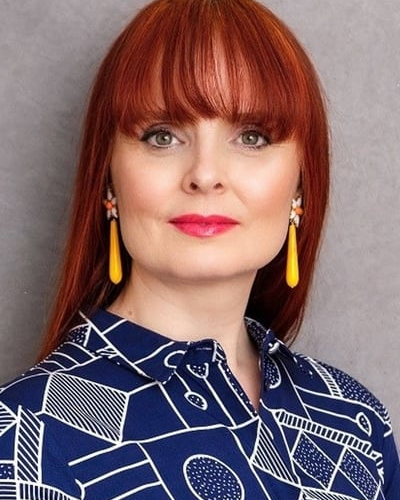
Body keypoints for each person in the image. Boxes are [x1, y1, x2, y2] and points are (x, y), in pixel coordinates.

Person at [0, 0, 399, 498]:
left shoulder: (355, 423)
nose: (205, 175)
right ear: (109, 181)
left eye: (251, 137)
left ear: (301, 186)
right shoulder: (23, 439)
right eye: (162, 136)